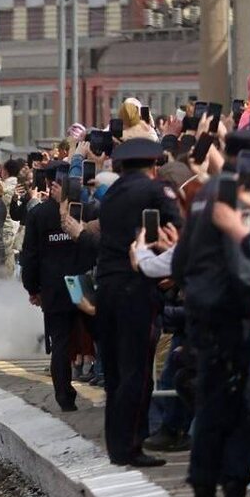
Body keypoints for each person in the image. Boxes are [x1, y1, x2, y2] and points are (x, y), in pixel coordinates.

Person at [173, 131, 250, 497]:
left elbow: (181, 260)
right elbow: (244, 269)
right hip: (232, 318)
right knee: (240, 413)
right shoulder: (239, 198)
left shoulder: (207, 193)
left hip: (203, 317)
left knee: (211, 409)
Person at [94, 137, 183, 467]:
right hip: (137, 286)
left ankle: (117, 445)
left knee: (116, 372)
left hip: (107, 287)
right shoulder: (156, 191)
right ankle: (132, 445)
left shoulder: (111, 194)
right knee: (138, 371)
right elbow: (177, 227)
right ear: (154, 164)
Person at [21, 162, 97, 411]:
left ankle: (64, 397)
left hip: (55, 286)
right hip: (83, 283)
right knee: (98, 335)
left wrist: (33, 289)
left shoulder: (38, 214)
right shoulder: (85, 209)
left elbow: (30, 256)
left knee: (61, 343)